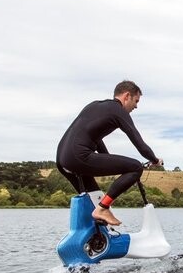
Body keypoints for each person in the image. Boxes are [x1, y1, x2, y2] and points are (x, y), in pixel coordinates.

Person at [56, 80, 163, 226]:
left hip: (62, 159)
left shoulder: (94, 105)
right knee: (135, 167)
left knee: (95, 199)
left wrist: (107, 159)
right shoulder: (118, 111)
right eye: (136, 101)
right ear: (127, 96)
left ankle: (96, 238)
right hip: (78, 157)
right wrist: (155, 160)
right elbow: (140, 144)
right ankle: (103, 209)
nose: (136, 106)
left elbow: (94, 137)